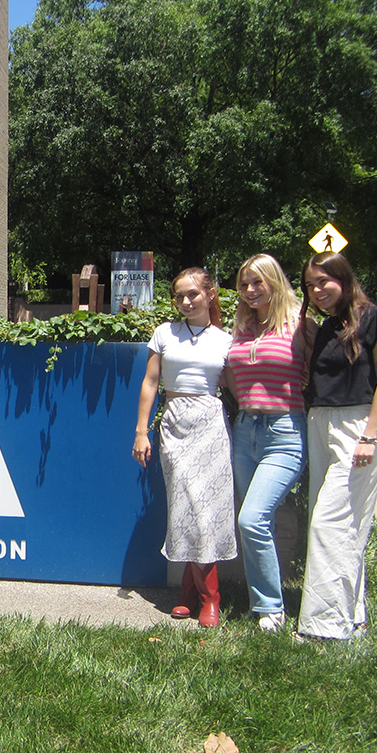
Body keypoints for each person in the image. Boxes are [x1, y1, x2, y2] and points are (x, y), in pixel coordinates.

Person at [296, 251, 377, 641]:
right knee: (343, 523)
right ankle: (352, 615)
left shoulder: (375, 317)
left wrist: (370, 434)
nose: (317, 290)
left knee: (329, 522)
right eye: (310, 285)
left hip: (357, 425)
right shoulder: (326, 326)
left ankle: (324, 626)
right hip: (321, 421)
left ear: (343, 276)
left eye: (323, 281)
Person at [133, 267, 237, 627]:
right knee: (184, 507)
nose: (185, 301)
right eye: (179, 295)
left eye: (192, 294)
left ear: (210, 294)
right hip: (174, 422)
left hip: (209, 422)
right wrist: (141, 431)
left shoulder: (226, 340)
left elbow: (236, 387)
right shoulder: (164, 333)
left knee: (206, 510)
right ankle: (193, 592)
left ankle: (205, 597)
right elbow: (150, 382)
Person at [226, 254, 316, 632]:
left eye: (257, 282)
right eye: (244, 284)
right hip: (245, 430)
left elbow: (320, 371)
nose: (249, 291)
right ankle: (261, 602)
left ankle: (271, 610)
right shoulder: (244, 326)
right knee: (254, 520)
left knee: (251, 518)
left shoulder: (300, 324)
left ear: (275, 282)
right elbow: (231, 375)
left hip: (286, 432)